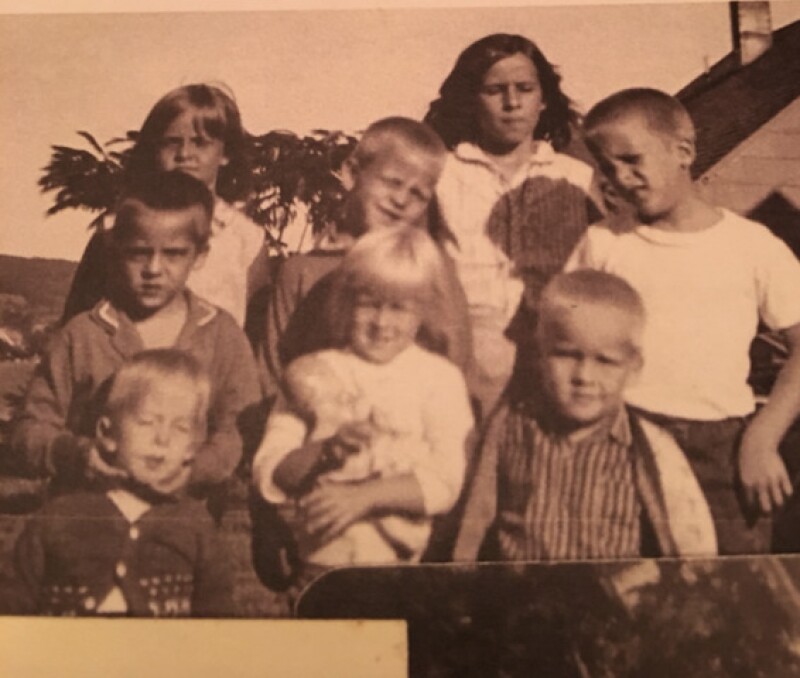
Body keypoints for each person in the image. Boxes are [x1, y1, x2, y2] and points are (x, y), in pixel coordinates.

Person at [566, 88, 800, 554]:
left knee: (738, 596)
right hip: (621, 443)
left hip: (726, 450)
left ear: (684, 152)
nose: (621, 178)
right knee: (629, 592)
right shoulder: (604, 243)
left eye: (633, 160)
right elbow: (567, 339)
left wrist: (763, 436)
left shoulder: (752, 246)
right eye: (609, 168)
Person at [12, 171, 262, 494]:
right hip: (91, 514)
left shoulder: (221, 336)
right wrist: (77, 455)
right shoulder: (83, 335)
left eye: (173, 254)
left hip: (183, 520)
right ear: (116, 251)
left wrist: (193, 470)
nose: (154, 270)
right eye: (138, 253)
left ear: (199, 256)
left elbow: (240, 428)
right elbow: (30, 428)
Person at [253, 227, 473, 577]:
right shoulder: (314, 373)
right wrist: (326, 451)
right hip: (321, 563)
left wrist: (364, 497)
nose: (382, 322)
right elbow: (270, 469)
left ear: (424, 312)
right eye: (369, 304)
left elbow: (445, 480)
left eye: (399, 308)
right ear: (345, 302)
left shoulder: (438, 379)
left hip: (398, 566)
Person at [453, 270, 716, 561]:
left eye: (605, 361)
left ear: (634, 367)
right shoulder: (509, 429)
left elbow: (693, 542)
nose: (584, 376)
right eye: (566, 354)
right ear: (540, 355)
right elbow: (471, 525)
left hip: (612, 601)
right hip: (521, 598)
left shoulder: (649, 447)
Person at [425, 33, 602, 418]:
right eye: (494, 90)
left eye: (525, 88)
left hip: (554, 362)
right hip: (464, 362)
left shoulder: (578, 178)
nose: (512, 102)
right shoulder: (442, 175)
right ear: (471, 100)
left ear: (543, 99)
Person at [6, 350, 235, 616]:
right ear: (107, 433)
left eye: (180, 428)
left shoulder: (195, 525)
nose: (162, 438)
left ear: (191, 448)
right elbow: (13, 608)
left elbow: (218, 622)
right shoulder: (59, 517)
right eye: (147, 422)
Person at [261, 116, 471, 400]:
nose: (401, 200)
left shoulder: (431, 271)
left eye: (418, 193)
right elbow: (272, 376)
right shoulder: (302, 272)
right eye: (392, 182)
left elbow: (453, 365)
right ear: (351, 172)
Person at [62, 83, 269, 328]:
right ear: (153, 149)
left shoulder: (246, 239)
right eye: (171, 142)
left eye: (200, 143)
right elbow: (75, 325)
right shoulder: (113, 231)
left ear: (226, 153)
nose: (184, 154)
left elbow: (255, 341)